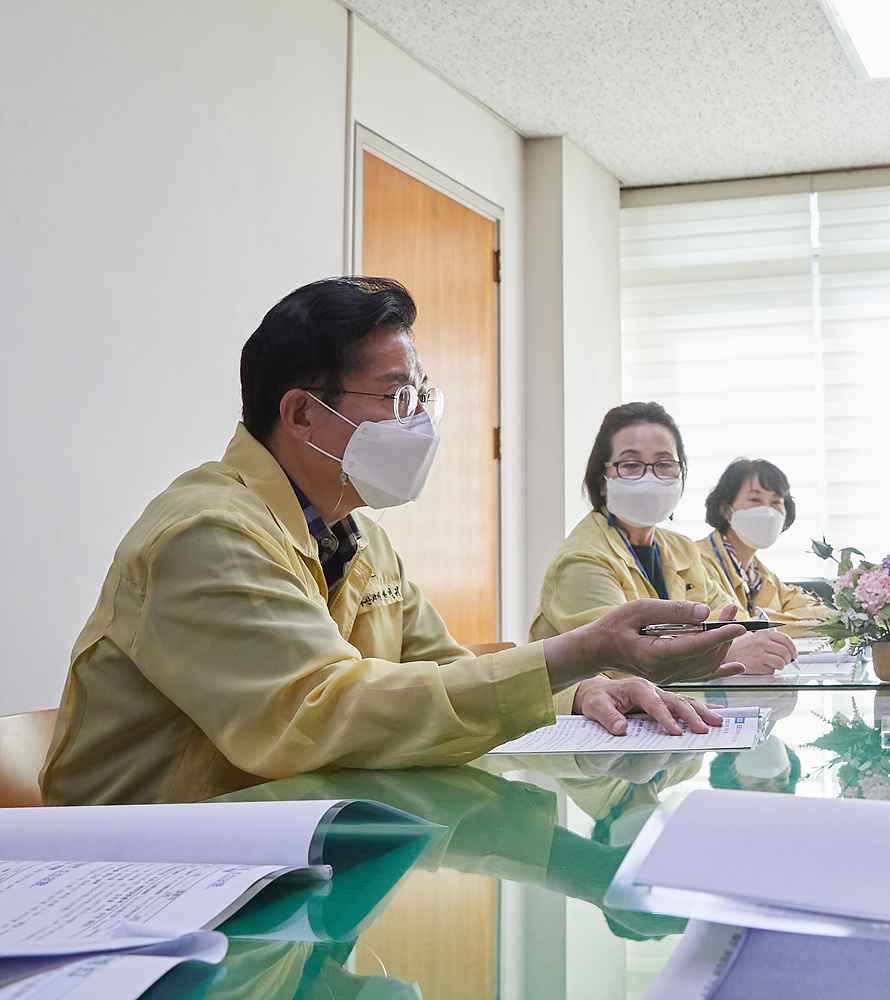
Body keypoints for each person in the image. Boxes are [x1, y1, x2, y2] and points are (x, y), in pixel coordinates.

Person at [41, 278, 744, 807]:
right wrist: (580, 650)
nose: (420, 424)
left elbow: (438, 667)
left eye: (422, 398)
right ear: (302, 415)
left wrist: (583, 688)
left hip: (282, 845)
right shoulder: (208, 532)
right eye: (397, 398)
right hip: (148, 874)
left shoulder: (356, 536)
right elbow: (323, 712)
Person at [530, 403, 799, 674]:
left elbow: (729, 619)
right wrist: (726, 652)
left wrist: (748, 641)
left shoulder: (681, 549)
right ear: (602, 478)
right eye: (631, 464)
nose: (649, 477)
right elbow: (617, 662)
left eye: (664, 464)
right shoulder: (583, 560)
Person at [698, 458, 832, 637]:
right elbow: (729, 627)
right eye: (755, 499)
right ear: (725, 509)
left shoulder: (762, 575)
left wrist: (760, 621)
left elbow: (825, 616)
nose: (768, 512)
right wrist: (764, 622)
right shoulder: (695, 561)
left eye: (776, 502)